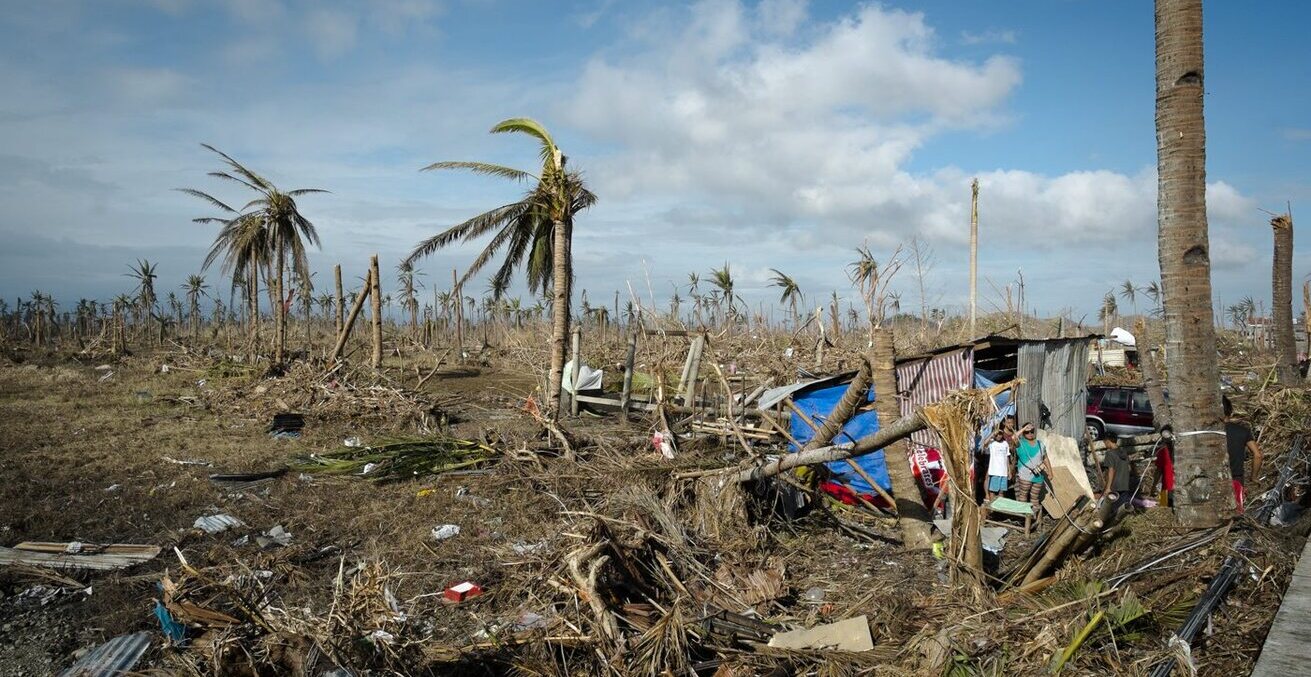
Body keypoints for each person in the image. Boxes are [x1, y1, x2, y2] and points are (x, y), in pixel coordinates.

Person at [1224, 396, 1263, 513]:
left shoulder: (1208, 432)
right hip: (1236, 480)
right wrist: (1254, 477)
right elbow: (1258, 455)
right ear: (1230, 412)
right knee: (1236, 514)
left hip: (1212, 481)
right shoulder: (1242, 431)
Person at [1014, 423, 1051, 513]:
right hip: (1025, 474)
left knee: (1035, 497)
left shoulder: (1040, 444)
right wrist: (1024, 429)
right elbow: (1013, 438)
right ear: (1023, 433)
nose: (1030, 434)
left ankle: (1033, 517)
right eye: (1027, 432)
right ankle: (1022, 516)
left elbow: (1045, 458)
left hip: (1038, 475)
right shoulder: (1020, 443)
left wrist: (1050, 471)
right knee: (1023, 495)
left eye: (1032, 431)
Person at [1098, 435, 1135, 510]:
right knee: (1122, 508)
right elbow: (1129, 468)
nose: (1105, 445)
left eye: (1105, 443)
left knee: (1112, 509)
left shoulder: (1110, 453)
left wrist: (1108, 487)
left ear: (1108, 441)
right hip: (1125, 484)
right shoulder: (1123, 451)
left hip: (1115, 486)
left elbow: (1111, 471)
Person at [986, 428, 1012, 502]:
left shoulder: (1005, 443)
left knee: (1001, 491)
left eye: (1000, 434)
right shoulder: (992, 443)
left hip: (1003, 472)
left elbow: (1007, 457)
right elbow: (984, 443)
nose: (999, 436)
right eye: (997, 434)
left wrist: (1009, 471)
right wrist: (992, 434)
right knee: (992, 491)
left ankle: (1000, 508)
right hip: (995, 472)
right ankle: (992, 507)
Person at [1153, 425, 1175, 507]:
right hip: (1176, 486)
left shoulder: (1162, 451)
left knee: (1163, 508)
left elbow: (1158, 471)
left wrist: (1154, 486)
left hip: (1166, 487)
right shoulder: (1178, 449)